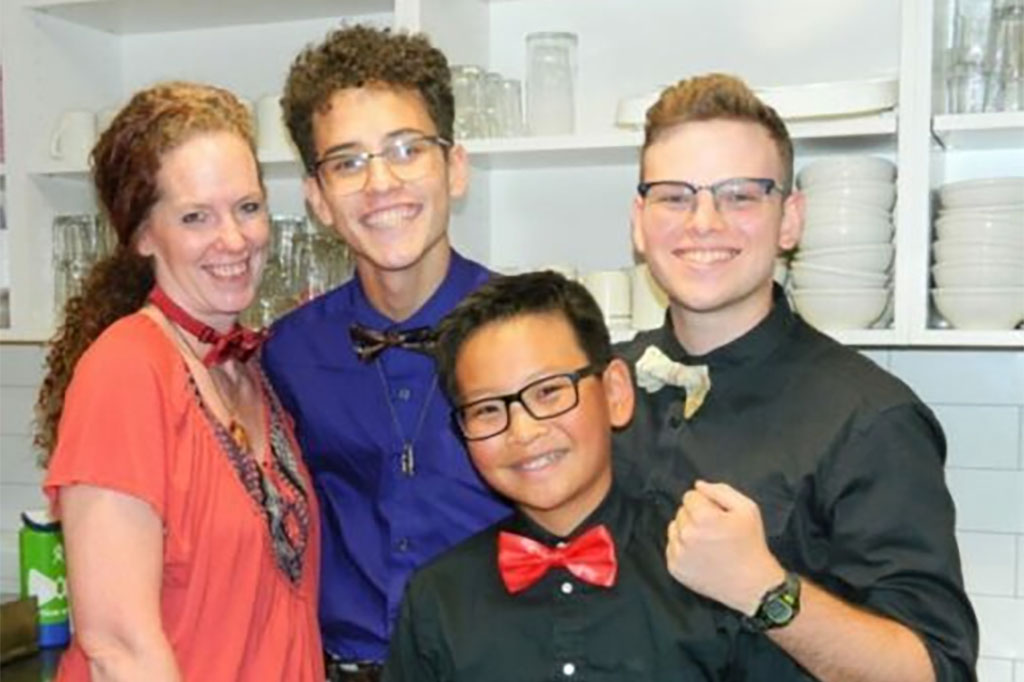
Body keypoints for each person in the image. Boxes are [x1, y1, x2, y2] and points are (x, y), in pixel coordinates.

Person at [614, 73, 978, 682]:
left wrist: (767, 590)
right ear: (639, 221)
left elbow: (934, 669)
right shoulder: (599, 385)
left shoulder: (871, 419)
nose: (704, 221)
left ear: (790, 220)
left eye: (741, 195)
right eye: (675, 195)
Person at [36, 82, 323, 682]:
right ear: (143, 236)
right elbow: (118, 648)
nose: (235, 240)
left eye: (248, 206)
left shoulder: (245, 370)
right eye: (197, 217)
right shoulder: (127, 371)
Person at [261, 25, 511, 680]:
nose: (381, 182)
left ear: (455, 168)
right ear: (316, 198)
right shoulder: (288, 354)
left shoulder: (531, 333)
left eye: (407, 149)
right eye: (347, 162)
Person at [384, 271, 744, 681]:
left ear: (615, 393)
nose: (523, 432)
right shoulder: (438, 597)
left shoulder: (712, 567)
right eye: (487, 409)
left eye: (549, 392)